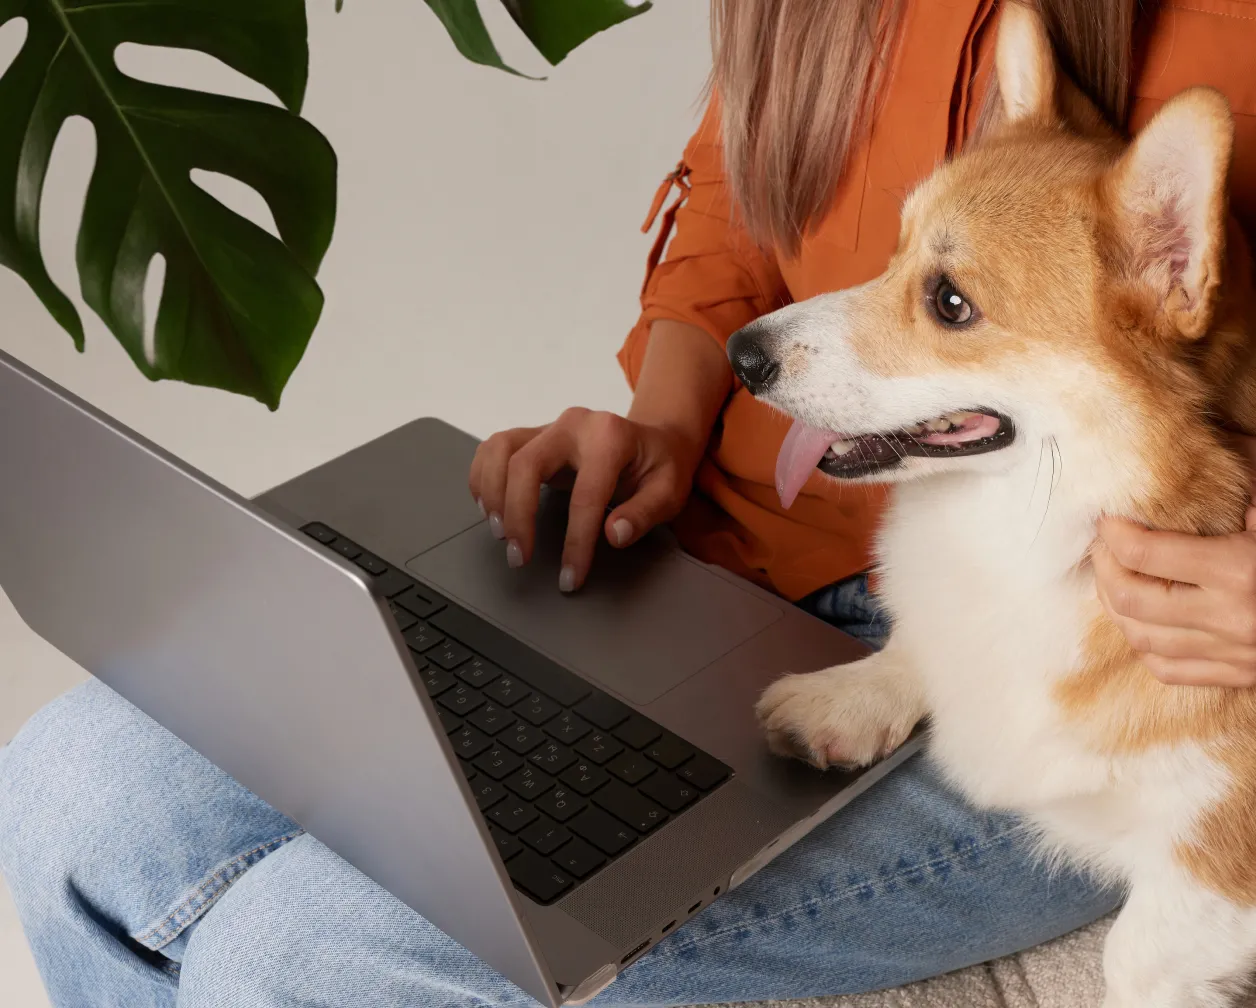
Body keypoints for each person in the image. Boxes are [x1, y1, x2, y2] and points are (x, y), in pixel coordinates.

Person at [4, 2, 1256, 1006]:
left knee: (299, 954)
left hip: (1124, 660)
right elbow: (748, 174)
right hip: (750, 552)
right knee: (71, 792)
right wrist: (658, 423)